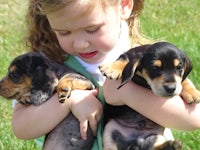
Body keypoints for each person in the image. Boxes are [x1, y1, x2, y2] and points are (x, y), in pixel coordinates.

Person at [11, 0, 200, 149]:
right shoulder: (47, 66)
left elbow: (193, 118)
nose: (80, 44)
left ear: (124, 5)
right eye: (64, 32)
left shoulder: (150, 60)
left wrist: (126, 93)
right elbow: (21, 127)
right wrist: (69, 102)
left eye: (92, 29)